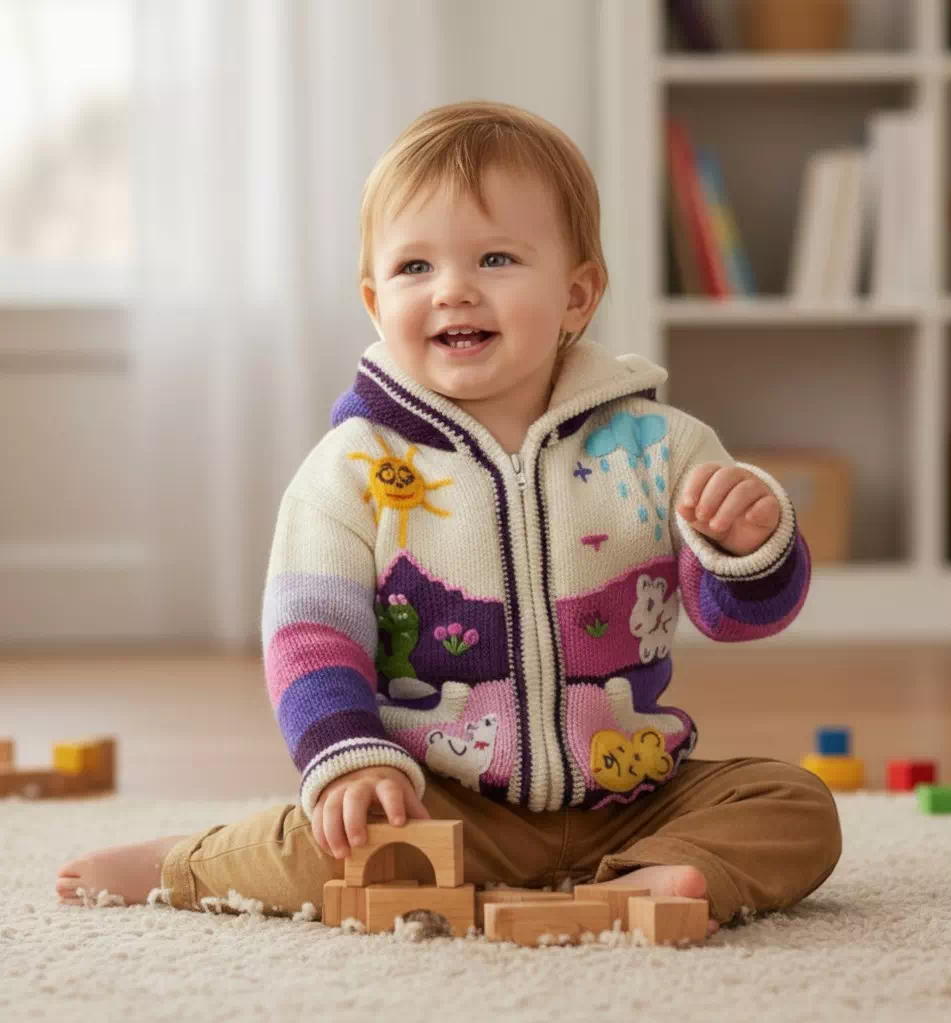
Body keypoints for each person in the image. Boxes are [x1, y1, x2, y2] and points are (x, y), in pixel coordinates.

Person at [57, 100, 840, 937]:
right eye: (414, 268)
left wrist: (748, 549)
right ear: (373, 300)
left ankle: (650, 876)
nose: (453, 289)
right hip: (443, 802)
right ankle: (186, 861)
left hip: (634, 791)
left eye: (496, 258)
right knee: (330, 840)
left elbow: (739, 618)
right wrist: (348, 759)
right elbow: (310, 635)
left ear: (577, 294)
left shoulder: (661, 447)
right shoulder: (353, 470)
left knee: (797, 803)